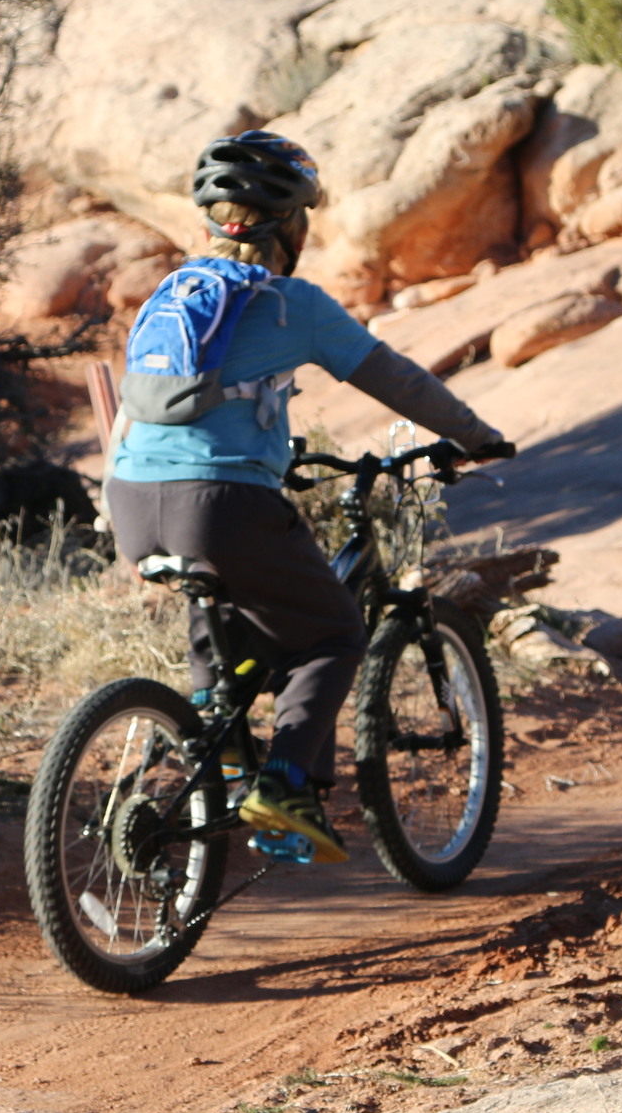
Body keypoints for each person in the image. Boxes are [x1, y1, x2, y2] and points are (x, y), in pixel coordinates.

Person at [102, 131, 512, 865]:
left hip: (132, 499)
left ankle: (222, 763)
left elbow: (169, 409)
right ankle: (285, 786)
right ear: (291, 226)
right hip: (220, 502)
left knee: (228, 619)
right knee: (331, 634)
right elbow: (398, 380)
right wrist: (475, 435)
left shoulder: (169, 294)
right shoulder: (295, 305)